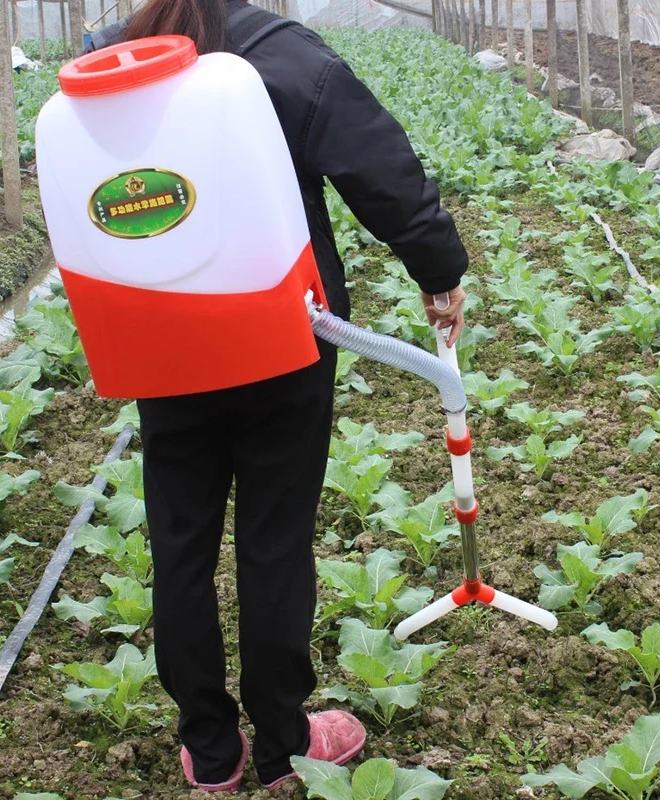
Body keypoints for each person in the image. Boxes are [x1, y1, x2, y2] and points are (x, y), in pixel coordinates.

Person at [88, 0, 469, 792]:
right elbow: (380, 168)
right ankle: (283, 744)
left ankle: (209, 749)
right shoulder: (282, 55)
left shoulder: (110, 63)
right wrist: (439, 270)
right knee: (273, 539)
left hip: (160, 343)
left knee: (180, 540)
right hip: (280, 341)